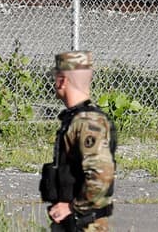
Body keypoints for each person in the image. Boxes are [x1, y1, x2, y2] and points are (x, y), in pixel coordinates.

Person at [40, 51, 116, 231]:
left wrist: (72, 207)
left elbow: (101, 175)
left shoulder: (88, 123)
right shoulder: (77, 119)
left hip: (84, 223)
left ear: (61, 81)